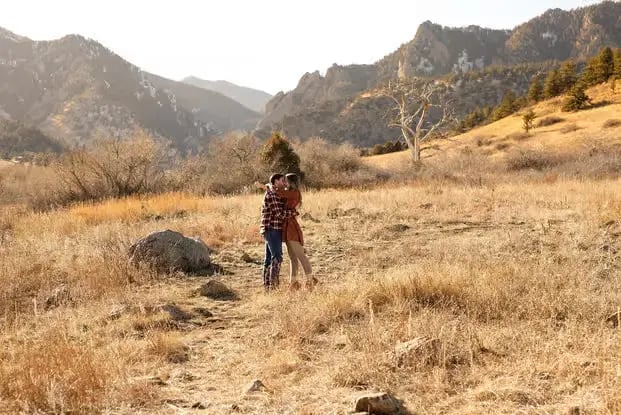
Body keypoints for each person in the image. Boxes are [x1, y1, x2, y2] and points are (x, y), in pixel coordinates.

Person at [269, 173, 316, 290]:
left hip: (291, 227)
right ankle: (293, 283)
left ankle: (310, 281)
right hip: (287, 226)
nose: (284, 183)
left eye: (286, 181)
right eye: (283, 181)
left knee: (301, 256)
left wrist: (267, 186)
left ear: (291, 182)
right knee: (292, 258)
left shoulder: (294, 192)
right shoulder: (290, 192)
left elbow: (278, 193)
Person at [259, 173, 295, 291]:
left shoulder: (274, 192)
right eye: (281, 180)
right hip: (272, 228)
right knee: (277, 257)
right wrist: (293, 213)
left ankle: (267, 286)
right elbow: (279, 214)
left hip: (272, 229)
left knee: (269, 258)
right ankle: (273, 286)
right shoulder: (272, 195)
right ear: (275, 181)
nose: (284, 183)